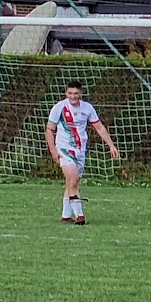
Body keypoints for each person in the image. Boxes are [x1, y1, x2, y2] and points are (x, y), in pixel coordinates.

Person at [45, 80, 120, 225]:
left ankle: (66, 215)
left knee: (72, 181)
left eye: (76, 93)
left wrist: (111, 145)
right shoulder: (59, 108)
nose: (73, 96)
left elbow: (99, 127)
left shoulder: (88, 108)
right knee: (73, 179)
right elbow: (49, 130)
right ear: (66, 93)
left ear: (81, 93)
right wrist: (53, 151)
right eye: (70, 93)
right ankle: (80, 215)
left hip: (80, 150)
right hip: (64, 148)